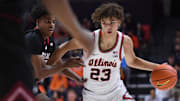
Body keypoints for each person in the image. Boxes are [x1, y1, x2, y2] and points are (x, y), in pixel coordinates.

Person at [0, 0, 93, 99]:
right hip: (16, 75)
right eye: (47, 21)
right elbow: (39, 73)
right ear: (38, 22)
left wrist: (77, 78)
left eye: (53, 22)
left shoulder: (50, 42)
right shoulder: (33, 39)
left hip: (30, 82)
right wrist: (78, 33)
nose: (51, 25)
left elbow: (60, 66)